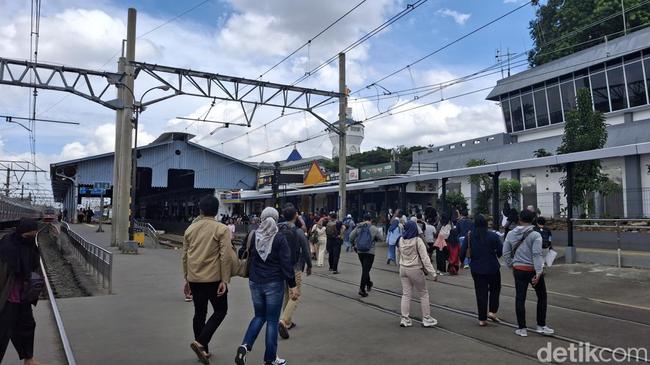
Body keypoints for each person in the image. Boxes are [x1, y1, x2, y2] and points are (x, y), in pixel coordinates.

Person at [235, 207, 298, 365]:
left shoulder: (253, 234)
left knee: (259, 316)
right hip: (274, 284)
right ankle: (270, 359)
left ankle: (245, 345)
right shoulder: (279, 238)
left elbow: (241, 252)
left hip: (255, 282)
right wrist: (292, 285)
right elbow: (286, 264)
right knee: (271, 320)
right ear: (276, 219)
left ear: (262, 219)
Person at [183, 196, 232, 364]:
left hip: (195, 278)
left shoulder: (190, 229)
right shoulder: (222, 229)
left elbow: (185, 256)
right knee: (220, 311)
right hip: (214, 279)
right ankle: (201, 343)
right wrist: (224, 280)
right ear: (217, 210)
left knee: (199, 313)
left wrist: (187, 279)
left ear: (201, 210)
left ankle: (203, 350)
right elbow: (225, 257)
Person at [503, 210, 554, 337]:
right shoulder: (536, 235)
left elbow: (506, 252)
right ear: (533, 220)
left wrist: (511, 264)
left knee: (520, 298)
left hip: (519, 270)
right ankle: (541, 326)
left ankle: (522, 328)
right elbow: (537, 255)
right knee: (542, 297)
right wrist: (538, 272)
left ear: (519, 219)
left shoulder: (510, 234)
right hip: (532, 270)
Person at [0, 218, 41, 365]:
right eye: (28, 236)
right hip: (6, 298)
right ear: (20, 233)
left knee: (27, 326)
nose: (30, 239)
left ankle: (28, 358)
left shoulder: (30, 247)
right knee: (2, 332)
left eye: (33, 236)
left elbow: (34, 268)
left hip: (23, 297)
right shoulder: (6, 247)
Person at [460, 214, 503, 326]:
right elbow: (500, 250)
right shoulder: (492, 236)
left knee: (481, 292)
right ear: (485, 223)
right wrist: (496, 254)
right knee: (495, 289)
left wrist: (461, 262)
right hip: (493, 267)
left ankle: (482, 319)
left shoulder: (469, 235)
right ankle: (492, 311)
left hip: (477, 268)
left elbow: (463, 251)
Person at [277, 205, 312, 340]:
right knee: (295, 294)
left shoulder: (277, 229)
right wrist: (309, 265)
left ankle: (288, 321)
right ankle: (284, 320)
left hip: (280, 268)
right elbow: (306, 250)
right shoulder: (298, 232)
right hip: (295, 267)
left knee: (287, 293)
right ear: (296, 216)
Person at [397, 220, 438, 328]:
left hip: (403, 269)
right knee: (423, 293)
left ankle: (405, 319)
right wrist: (433, 272)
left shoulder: (400, 239)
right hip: (415, 269)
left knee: (406, 294)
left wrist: (399, 265)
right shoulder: (417, 241)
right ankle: (426, 318)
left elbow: (398, 255)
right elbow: (425, 258)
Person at [349, 213, 383, 297]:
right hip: (370, 252)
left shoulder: (359, 227)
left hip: (360, 251)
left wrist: (354, 244)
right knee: (366, 270)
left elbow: (350, 237)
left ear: (363, 219)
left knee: (365, 268)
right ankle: (362, 289)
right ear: (371, 219)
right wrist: (374, 238)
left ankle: (368, 283)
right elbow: (381, 239)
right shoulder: (374, 228)